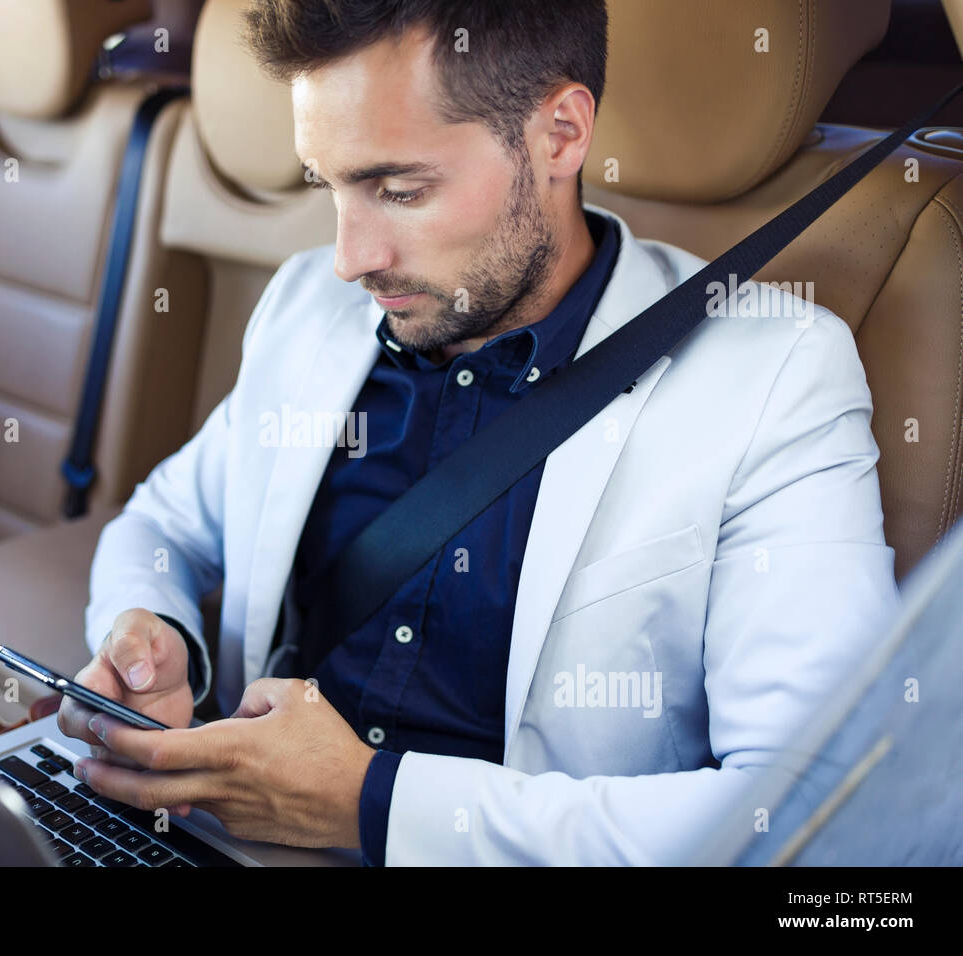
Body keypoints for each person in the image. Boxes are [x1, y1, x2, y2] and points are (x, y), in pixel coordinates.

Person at [57, 0, 901, 865]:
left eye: (399, 189)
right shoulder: (307, 307)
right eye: (331, 184)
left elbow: (819, 812)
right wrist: (150, 635)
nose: (350, 256)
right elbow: (162, 523)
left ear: (559, 137)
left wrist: (372, 805)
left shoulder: (775, 375)